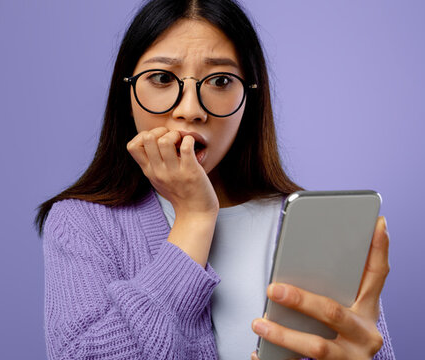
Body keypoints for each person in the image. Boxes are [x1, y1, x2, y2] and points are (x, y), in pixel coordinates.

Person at [34, 0, 395, 359]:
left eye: (221, 81)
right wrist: (193, 219)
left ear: (249, 96)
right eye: (162, 78)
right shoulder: (81, 224)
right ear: (126, 91)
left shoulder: (313, 227)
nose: (190, 110)